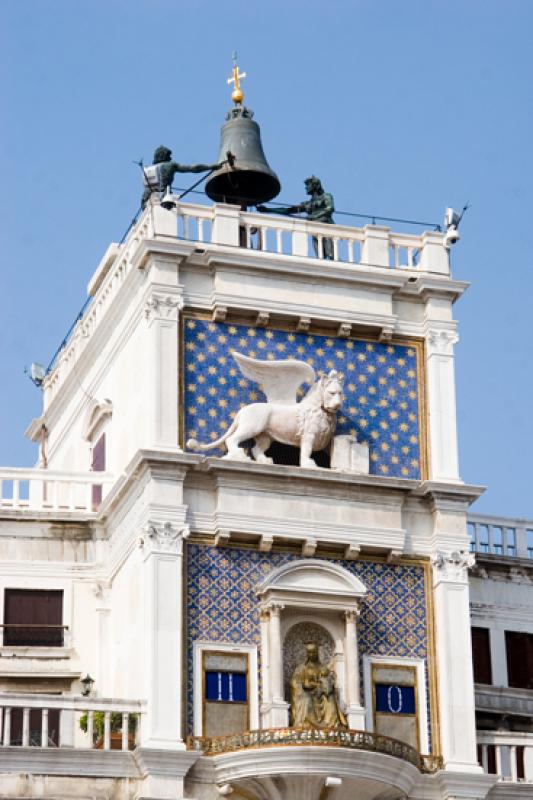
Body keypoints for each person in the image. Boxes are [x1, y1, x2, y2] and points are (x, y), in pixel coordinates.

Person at [258, 176, 335, 260]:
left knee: (330, 255)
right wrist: (268, 210)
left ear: (315, 185)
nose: (306, 187)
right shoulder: (308, 204)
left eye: (308, 185)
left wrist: (314, 216)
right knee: (320, 257)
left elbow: (329, 209)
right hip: (315, 232)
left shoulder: (326, 196)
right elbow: (288, 210)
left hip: (326, 229)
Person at [141, 145, 222, 208]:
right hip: (166, 197)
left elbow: (146, 190)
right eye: (168, 155)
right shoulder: (171, 165)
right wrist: (210, 167)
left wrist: (144, 204)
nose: (170, 157)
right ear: (163, 156)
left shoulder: (148, 170)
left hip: (152, 199)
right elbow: (193, 168)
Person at [290, 642, 347, 729]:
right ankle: (307, 724)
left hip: (321, 694)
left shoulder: (322, 668)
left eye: (314, 652)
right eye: (310, 652)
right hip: (307, 694)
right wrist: (303, 686)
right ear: (307, 654)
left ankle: (331, 725)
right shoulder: (301, 668)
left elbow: (329, 682)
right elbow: (294, 683)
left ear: (317, 653)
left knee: (330, 699)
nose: (312, 654)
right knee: (307, 699)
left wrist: (325, 685)